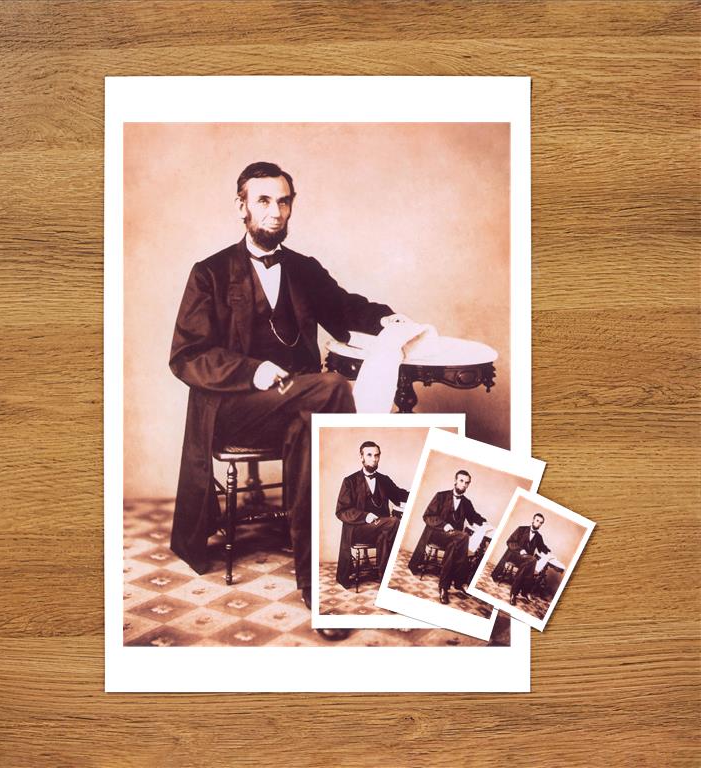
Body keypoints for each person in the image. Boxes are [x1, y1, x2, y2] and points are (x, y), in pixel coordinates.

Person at [168, 161, 409, 611]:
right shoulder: (210, 273)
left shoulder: (303, 269)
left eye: (283, 201)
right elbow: (186, 356)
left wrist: (387, 320)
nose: (275, 212)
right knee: (332, 388)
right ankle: (344, 523)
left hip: (296, 405)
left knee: (309, 422)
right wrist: (252, 371)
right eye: (263, 201)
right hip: (234, 411)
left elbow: (345, 308)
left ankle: (313, 580)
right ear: (241, 207)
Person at [334, 441, 409, 588]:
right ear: (361, 457)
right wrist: (365, 516)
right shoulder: (350, 481)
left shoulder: (384, 480)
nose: (374, 459)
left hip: (381, 529)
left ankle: (383, 576)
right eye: (369, 455)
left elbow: (399, 495)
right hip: (358, 529)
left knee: (386, 532)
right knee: (394, 522)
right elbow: (341, 511)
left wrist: (415, 492)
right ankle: (385, 573)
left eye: (376, 455)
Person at [407, 470, 486, 604]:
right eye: (461, 481)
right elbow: (427, 516)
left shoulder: (466, 503)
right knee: (464, 537)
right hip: (436, 534)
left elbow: (474, 517)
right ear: (455, 481)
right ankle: (460, 581)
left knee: (455, 545)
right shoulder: (441, 496)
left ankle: (443, 587)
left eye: (467, 483)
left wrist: (485, 523)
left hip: (454, 538)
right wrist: (443, 525)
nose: (464, 485)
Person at [491, 513, 551, 605]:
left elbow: (542, 547)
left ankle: (513, 594)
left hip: (526, 560)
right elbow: (510, 542)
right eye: (537, 521)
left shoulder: (539, 537)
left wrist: (549, 553)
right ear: (533, 520)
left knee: (529, 563)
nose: (538, 523)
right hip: (515, 556)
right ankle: (525, 591)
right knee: (532, 561)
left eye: (541, 522)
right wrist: (520, 550)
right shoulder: (521, 529)